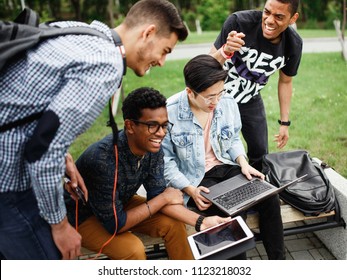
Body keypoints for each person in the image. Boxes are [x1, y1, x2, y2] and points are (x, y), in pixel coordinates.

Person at [0, 0, 188, 260]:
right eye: (165, 50)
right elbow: (43, 150)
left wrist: (65, 157)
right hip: (9, 181)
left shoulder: (83, 32)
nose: (163, 61)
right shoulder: (106, 64)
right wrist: (60, 225)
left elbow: (32, 105)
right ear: (148, 33)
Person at [64, 87, 230, 260]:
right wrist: (165, 198)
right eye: (152, 126)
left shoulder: (152, 148)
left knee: (174, 224)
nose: (161, 133)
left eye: (165, 125)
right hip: (83, 217)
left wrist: (201, 222)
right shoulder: (103, 159)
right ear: (130, 126)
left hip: (120, 203)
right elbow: (116, 224)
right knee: (133, 248)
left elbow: (157, 194)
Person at [162, 54, 285, 259]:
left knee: (269, 196)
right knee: (232, 213)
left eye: (220, 93)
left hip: (227, 167)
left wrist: (243, 163)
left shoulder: (227, 101)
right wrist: (191, 190)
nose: (217, 101)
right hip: (197, 178)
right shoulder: (170, 111)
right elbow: (166, 162)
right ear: (190, 93)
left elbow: (233, 138)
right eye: (210, 97)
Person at [210, 0, 302, 171]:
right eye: (266, 12)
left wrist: (284, 123)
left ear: (292, 18)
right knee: (217, 154)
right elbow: (208, 64)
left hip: (250, 99)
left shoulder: (293, 44)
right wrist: (226, 50)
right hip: (216, 99)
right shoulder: (238, 22)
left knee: (260, 154)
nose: (268, 20)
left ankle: (258, 193)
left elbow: (286, 81)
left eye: (279, 16)